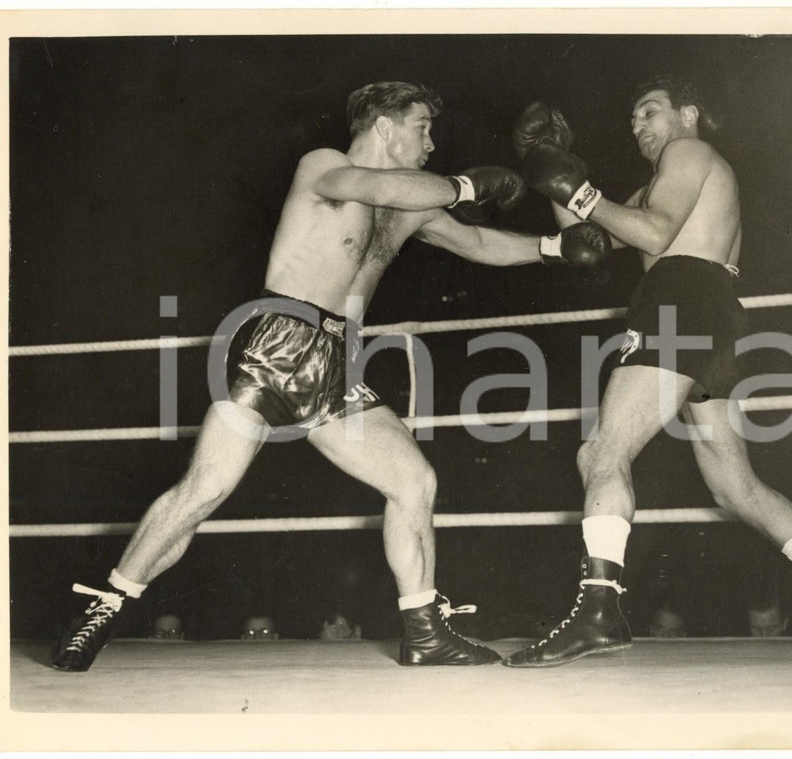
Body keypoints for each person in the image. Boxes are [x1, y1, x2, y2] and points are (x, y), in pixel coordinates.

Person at [52, 81, 612, 672]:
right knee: (206, 488)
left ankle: (423, 632)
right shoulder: (327, 167)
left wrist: (554, 246)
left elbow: (474, 240)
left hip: (338, 364)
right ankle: (105, 606)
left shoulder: (405, 208)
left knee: (413, 481)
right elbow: (382, 185)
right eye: (421, 127)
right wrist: (467, 185)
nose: (429, 142)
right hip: (277, 341)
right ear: (384, 126)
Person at [503, 76, 792, 667]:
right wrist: (548, 163)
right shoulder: (665, 181)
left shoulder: (690, 153)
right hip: (709, 311)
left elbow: (655, 233)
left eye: (649, 111)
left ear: (688, 115)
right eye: (633, 120)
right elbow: (584, 232)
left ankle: (599, 613)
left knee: (602, 453)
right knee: (735, 487)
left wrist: (579, 192)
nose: (639, 127)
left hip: (680, 300)